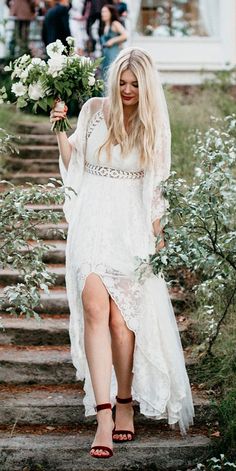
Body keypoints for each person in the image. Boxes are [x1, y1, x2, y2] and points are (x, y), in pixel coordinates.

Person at [50, 47, 195, 459]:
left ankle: (126, 399)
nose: (127, 90)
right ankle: (103, 415)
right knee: (94, 306)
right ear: (113, 79)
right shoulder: (94, 109)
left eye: (134, 84)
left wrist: (159, 240)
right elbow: (72, 158)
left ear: (145, 86)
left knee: (120, 322)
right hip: (92, 222)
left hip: (130, 228)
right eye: (122, 82)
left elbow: (154, 190)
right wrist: (58, 127)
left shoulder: (153, 127)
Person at [100, 4, 127, 79]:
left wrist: (112, 40)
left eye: (105, 11)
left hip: (113, 56)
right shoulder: (104, 26)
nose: (103, 14)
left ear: (111, 13)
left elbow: (125, 35)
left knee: (111, 77)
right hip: (105, 58)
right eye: (102, 12)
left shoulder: (115, 24)